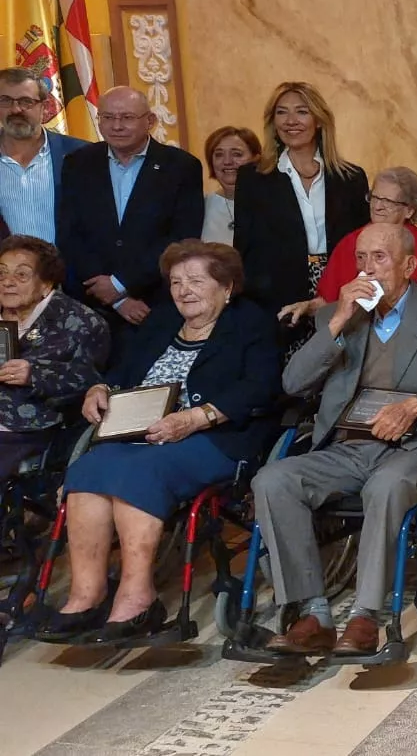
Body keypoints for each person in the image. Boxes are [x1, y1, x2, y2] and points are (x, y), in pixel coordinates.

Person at [254, 224, 417, 657]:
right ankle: (313, 612)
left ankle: (365, 616)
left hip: (413, 447)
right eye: (361, 258)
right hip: (346, 447)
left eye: (379, 258)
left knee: (386, 487)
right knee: (272, 481)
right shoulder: (337, 316)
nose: (367, 269)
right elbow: (293, 384)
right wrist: (337, 321)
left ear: (409, 266)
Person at [37, 242, 281, 643]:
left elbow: (261, 387)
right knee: (86, 470)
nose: (184, 290)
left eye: (196, 281)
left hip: (214, 436)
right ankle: (86, 595)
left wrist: (195, 417)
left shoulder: (251, 323)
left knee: (140, 471)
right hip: (139, 432)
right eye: (176, 282)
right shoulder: (164, 319)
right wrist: (101, 388)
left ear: (227, 287)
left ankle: (137, 598)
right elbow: (124, 370)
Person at [57, 87, 205, 340]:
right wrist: (114, 297)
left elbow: (182, 237)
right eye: (107, 117)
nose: (117, 126)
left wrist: (121, 284)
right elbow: (69, 233)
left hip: (154, 302)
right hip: (91, 305)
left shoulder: (181, 166)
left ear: (150, 121)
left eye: (127, 117)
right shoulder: (77, 163)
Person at [233, 81, 370, 335]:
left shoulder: (351, 177)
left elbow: (363, 243)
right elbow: (245, 249)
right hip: (276, 297)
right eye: (281, 112)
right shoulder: (253, 178)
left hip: (339, 289)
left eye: (302, 112)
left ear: (318, 120)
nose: (290, 121)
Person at [275, 167, 417, 327]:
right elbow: (329, 301)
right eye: (375, 198)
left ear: (409, 210)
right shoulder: (349, 243)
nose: (377, 206)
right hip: (352, 333)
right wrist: (308, 306)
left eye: (388, 201)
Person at [0, 236, 109, 481]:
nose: (7, 282)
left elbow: (89, 380)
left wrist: (35, 374)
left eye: (21, 275)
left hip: (28, 425)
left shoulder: (82, 322)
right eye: (1, 274)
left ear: (46, 284)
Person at [0, 67, 89, 244]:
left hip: (67, 261)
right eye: (5, 101)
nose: (15, 109)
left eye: (26, 101)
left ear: (45, 107)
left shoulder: (81, 154)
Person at [200, 126, 263, 245]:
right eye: (219, 155)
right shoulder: (202, 207)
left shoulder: (273, 203)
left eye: (237, 154)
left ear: (256, 159)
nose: (227, 161)